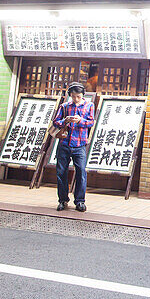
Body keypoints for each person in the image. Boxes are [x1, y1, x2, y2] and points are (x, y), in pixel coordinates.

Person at [52, 83, 95, 212]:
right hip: (64, 144)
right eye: (74, 96)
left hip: (80, 145)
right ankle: (63, 200)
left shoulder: (89, 105)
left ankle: (80, 201)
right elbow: (55, 121)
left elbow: (91, 122)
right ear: (70, 95)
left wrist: (80, 120)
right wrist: (65, 120)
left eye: (78, 96)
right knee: (61, 173)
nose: (76, 99)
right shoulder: (64, 106)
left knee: (81, 172)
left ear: (83, 95)